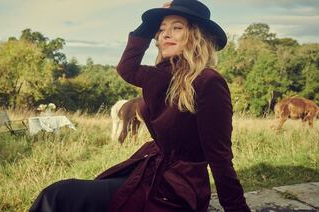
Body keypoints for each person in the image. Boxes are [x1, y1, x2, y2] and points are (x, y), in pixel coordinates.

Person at [29, 0, 250, 211]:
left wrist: (236, 208)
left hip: (178, 188)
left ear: (196, 36)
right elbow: (126, 68)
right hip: (151, 172)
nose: (165, 34)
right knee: (61, 194)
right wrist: (148, 24)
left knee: (57, 195)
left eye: (177, 27)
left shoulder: (208, 82)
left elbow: (220, 156)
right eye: (161, 28)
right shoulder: (159, 76)